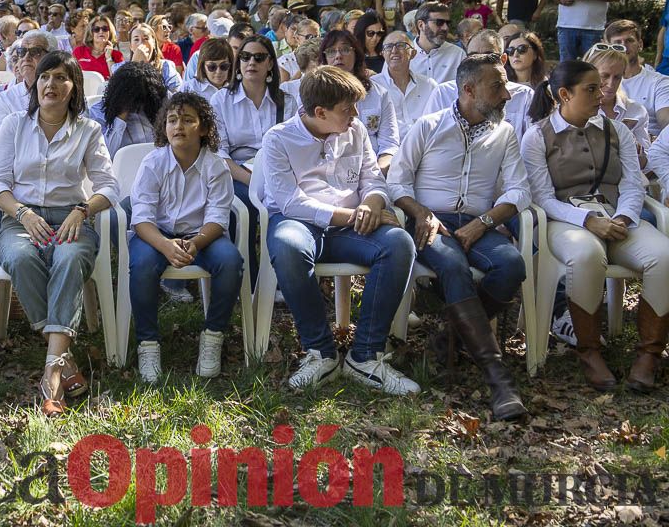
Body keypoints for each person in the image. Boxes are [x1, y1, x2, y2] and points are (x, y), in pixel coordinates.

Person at [258, 66, 419, 395]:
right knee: (287, 245)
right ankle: (321, 352)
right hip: (301, 223)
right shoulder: (278, 139)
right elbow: (290, 202)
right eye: (348, 108)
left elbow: (373, 178)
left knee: (399, 244)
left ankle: (365, 355)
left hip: (352, 227)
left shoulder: (355, 129)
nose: (356, 114)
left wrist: (374, 203)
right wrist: (352, 215)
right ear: (320, 112)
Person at [388, 54, 529, 420]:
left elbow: (518, 190)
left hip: (478, 222)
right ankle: (498, 379)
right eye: (497, 86)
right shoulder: (428, 126)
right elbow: (397, 181)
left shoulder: (505, 132)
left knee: (512, 264)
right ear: (468, 89)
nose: (507, 95)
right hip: (430, 222)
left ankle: (451, 335)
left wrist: (483, 222)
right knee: (452, 265)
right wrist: (421, 213)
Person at [522, 60, 669, 393]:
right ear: (564, 94)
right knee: (586, 254)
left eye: (600, 87)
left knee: (664, 254)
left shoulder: (616, 131)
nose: (602, 93)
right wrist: (587, 221)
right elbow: (542, 198)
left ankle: (649, 354)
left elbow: (634, 183)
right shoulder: (537, 136)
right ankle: (589, 351)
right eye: (591, 88)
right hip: (565, 220)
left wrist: (623, 217)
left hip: (617, 217)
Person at [0, 51, 119, 416]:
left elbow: (108, 186)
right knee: (19, 256)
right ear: (36, 84)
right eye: (45, 76)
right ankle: (64, 360)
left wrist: (83, 210)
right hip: (19, 216)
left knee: (70, 257)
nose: (51, 84)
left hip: (70, 218)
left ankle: (51, 372)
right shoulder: (14, 125)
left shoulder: (88, 131)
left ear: (73, 87)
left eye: (61, 77)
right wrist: (22, 212)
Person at [129, 92, 243, 382]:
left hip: (202, 236)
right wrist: (166, 246)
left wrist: (195, 243)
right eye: (172, 120)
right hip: (157, 235)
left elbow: (218, 218)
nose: (178, 126)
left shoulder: (215, 166)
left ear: (203, 128)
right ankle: (148, 343)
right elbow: (141, 218)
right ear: (163, 127)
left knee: (230, 262)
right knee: (142, 266)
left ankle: (213, 335)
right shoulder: (153, 163)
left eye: (188, 120)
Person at [211, 34, 283, 202]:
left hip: (277, 174)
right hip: (237, 174)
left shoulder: (285, 102)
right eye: (245, 57)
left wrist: (271, 182)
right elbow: (218, 152)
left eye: (259, 57)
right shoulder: (221, 100)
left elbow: (292, 148)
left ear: (270, 63)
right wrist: (252, 181)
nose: (251, 62)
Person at [319, 29, 400, 169]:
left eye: (344, 49)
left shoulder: (379, 94)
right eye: (331, 51)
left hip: (373, 168)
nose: (338, 56)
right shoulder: (315, 94)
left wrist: (378, 173)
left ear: (356, 53)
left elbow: (389, 144)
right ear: (324, 58)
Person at [0, 30, 54, 165]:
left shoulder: (68, 96)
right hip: (12, 176)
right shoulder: (5, 99)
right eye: (22, 52)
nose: (26, 57)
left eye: (35, 52)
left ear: (51, 58)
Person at [601, 19, 669, 137]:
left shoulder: (660, 82)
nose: (623, 46)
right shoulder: (597, 81)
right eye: (617, 42)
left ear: (640, 45)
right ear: (607, 46)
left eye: (629, 41)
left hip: (649, 144)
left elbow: (666, 122)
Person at [87, 61, 166, 157]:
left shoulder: (154, 105)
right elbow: (105, 155)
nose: (138, 103)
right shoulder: (97, 112)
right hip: (119, 169)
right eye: (135, 97)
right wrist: (121, 114)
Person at [372, 31, 436, 142]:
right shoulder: (373, 86)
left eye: (401, 45)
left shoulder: (429, 86)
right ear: (383, 54)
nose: (394, 51)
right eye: (388, 47)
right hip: (389, 152)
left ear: (413, 53)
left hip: (425, 148)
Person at [586, 46, 652, 152]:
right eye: (604, 76)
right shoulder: (577, 110)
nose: (611, 83)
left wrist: (638, 154)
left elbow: (647, 157)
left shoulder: (636, 110)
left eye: (617, 77)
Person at [119, 23, 182, 93]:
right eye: (136, 39)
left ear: (154, 43)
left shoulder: (166, 66)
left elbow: (176, 95)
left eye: (146, 38)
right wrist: (134, 65)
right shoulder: (120, 69)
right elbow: (120, 95)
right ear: (131, 46)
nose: (141, 43)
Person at [412, 2, 466, 84]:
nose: (445, 28)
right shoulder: (403, 55)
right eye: (439, 22)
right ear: (421, 25)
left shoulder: (458, 55)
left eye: (448, 23)